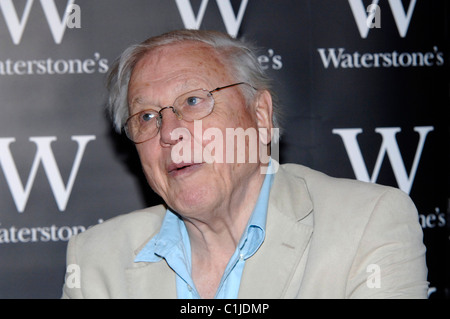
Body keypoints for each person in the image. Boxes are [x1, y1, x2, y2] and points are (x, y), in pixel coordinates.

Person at [61, 29, 428, 299]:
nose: (169, 132)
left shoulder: (367, 225)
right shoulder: (95, 261)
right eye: (145, 116)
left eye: (192, 101)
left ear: (260, 114)